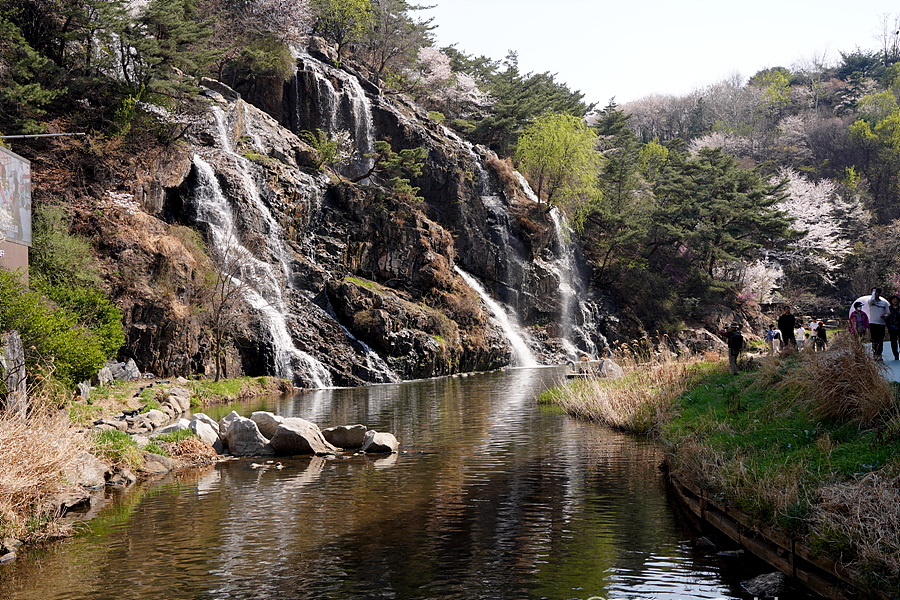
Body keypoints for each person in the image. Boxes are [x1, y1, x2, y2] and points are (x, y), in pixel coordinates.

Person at [867, 288, 890, 360]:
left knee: (880, 340)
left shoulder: (884, 303)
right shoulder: (871, 302)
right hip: (873, 323)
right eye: (874, 293)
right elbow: (872, 299)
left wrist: (884, 316)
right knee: (874, 339)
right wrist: (873, 293)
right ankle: (875, 354)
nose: (875, 294)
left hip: (881, 324)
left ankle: (879, 354)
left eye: (876, 292)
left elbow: (888, 313)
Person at [886, 295, 900, 360]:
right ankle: (896, 355)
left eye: (896, 299)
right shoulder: (888, 309)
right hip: (892, 327)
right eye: (894, 299)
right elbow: (886, 318)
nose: (895, 301)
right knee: (893, 342)